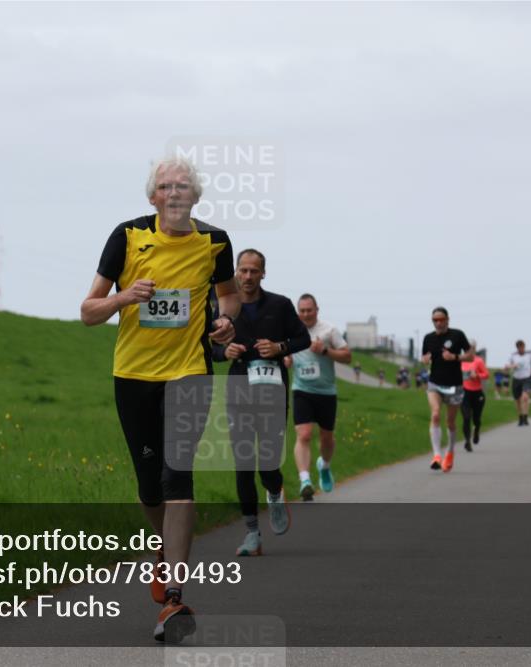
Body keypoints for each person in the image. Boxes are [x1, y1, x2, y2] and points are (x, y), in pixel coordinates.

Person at [80, 157, 238, 642]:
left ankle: (174, 597)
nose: (175, 193)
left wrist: (226, 321)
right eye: (166, 186)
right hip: (133, 376)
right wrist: (124, 299)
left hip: (189, 373)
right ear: (153, 197)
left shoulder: (214, 241)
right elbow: (88, 312)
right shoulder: (126, 237)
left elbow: (229, 296)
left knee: (178, 475)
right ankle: (163, 554)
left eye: (183, 186)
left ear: (195, 196)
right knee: (151, 487)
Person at [213, 249, 310, 557]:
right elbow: (205, 347)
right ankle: (252, 532)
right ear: (236, 273)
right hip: (239, 391)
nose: (247, 276)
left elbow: (302, 339)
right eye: (242, 270)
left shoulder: (279, 305)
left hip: (272, 392)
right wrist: (223, 353)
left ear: (263, 273)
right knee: (243, 463)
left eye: (254, 271)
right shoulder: (223, 307)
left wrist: (279, 347)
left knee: (268, 462)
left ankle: (274, 493)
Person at [286, 294, 351, 500]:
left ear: (317, 310)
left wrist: (325, 350)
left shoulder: (329, 330)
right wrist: (285, 358)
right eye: (302, 311)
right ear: (298, 312)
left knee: (326, 438)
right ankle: (305, 480)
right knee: (304, 434)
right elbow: (283, 352)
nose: (306, 314)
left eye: (309, 310)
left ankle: (324, 466)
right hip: (301, 390)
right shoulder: (291, 330)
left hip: (326, 392)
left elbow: (347, 356)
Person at [421, 307, 474, 472]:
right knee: (435, 414)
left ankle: (450, 452)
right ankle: (437, 455)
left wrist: (455, 357)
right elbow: (424, 358)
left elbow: (471, 356)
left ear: (447, 319)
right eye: (435, 320)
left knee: (450, 422)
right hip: (435, 383)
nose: (438, 323)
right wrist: (425, 359)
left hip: (454, 385)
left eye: (441, 319)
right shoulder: (428, 338)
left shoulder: (457, 335)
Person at [460, 342, 489, 451]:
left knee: (476, 418)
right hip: (464, 393)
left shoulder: (479, 361)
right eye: (467, 349)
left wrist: (477, 375)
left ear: (474, 349)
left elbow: (486, 374)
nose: (469, 351)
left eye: (472, 349)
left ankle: (476, 431)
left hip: (477, 393)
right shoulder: (461, 361)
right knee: (466, 417)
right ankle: (467, 441)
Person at [505, 340, 531, 426]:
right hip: (516, 379)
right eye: (519, 347)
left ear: (524, 347)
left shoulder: (530, 355)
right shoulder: (513, 356)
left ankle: (525, 416)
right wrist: (512, 366)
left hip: (527, 378)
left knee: (525, 397)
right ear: (517, 348)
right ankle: (520, 417)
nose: (521, 349)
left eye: (522, 347)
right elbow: (507, 366)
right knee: (518, 400)